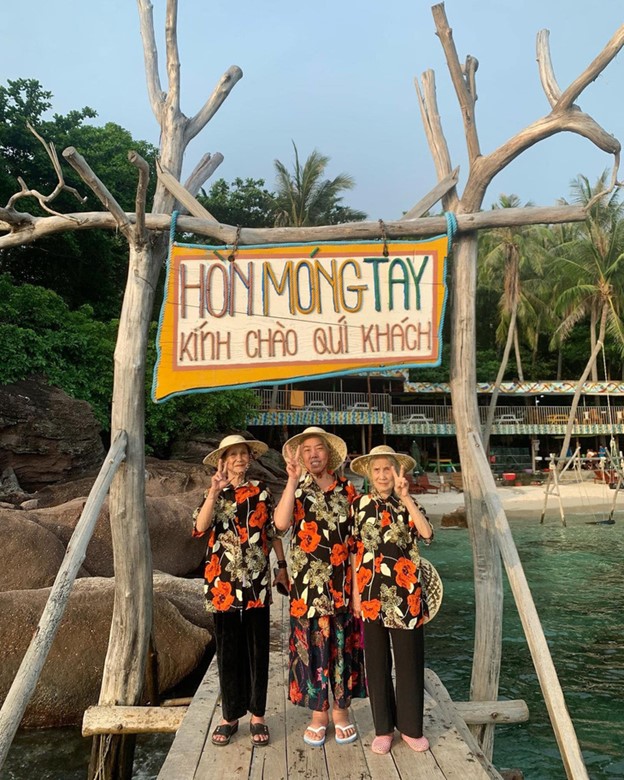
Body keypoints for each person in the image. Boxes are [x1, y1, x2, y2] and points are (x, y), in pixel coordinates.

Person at [192, 434, 289, 747]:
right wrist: (213, 492)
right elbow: (200, 528)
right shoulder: (214, 493)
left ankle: (258, 715)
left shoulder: (261, 491)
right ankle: (230, 716)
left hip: (257, 583)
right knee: (229, 651)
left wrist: (282, 566)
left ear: (250, 458)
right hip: (223, 585)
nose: (238, 459)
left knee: (258, 650)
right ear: (223, 460)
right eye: (232, 454)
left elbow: (273, 531)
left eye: (243, 454)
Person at [274, 426, 367, 747]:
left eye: (319, 449)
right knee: (312, 651)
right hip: (306, 592)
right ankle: (318, 715)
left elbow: (356, 546)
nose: (314, 454)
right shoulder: (296, 490)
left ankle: (342, 713)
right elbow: (281, 524)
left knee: (341, 651)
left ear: (330, 455)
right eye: (307, 450)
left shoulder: (348, 492)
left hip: (341, 588)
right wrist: (290, 480)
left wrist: (357, 592)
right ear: (300, 456)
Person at [349, 445, 434, 755]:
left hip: (405, 595)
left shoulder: (408, 504)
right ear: (370, 475)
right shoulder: (359, 505)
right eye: (377, 470)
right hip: (371, 595)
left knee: (410, 662)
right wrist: (357, 594)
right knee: (377, 664)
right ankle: (383, 728)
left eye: (388, 469)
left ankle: (411, 728)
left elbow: (426, 534)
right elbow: (355, 552)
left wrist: (406, 497)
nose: (383, 475)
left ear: (398, 473)